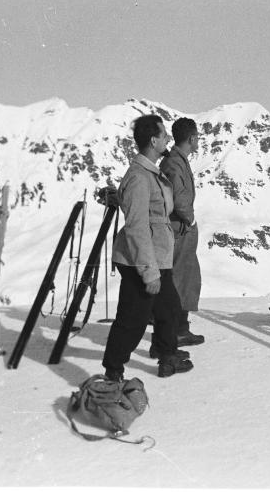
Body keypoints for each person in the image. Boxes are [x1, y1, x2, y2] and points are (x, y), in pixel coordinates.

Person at [101, 115, 194, 380]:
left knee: (169, 309)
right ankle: (113, 371)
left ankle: (167, 356)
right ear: (153, 140)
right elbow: (137, 227)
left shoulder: (149, 173)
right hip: (139, 260)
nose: (168, 139)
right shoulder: (140, 178)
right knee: (133, 320)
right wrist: (149, 271)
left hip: (156, 256)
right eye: (164, 135)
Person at [160, 117, 205, 347]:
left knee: (185, 278)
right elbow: (179, 197)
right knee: (179, 280)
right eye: (197, 136)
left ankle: (179, 328)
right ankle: (175, 330)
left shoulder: (177, 160)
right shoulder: (175, 164)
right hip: (179, 229)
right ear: (191, 138)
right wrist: (191, 218)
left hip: (181, 228)